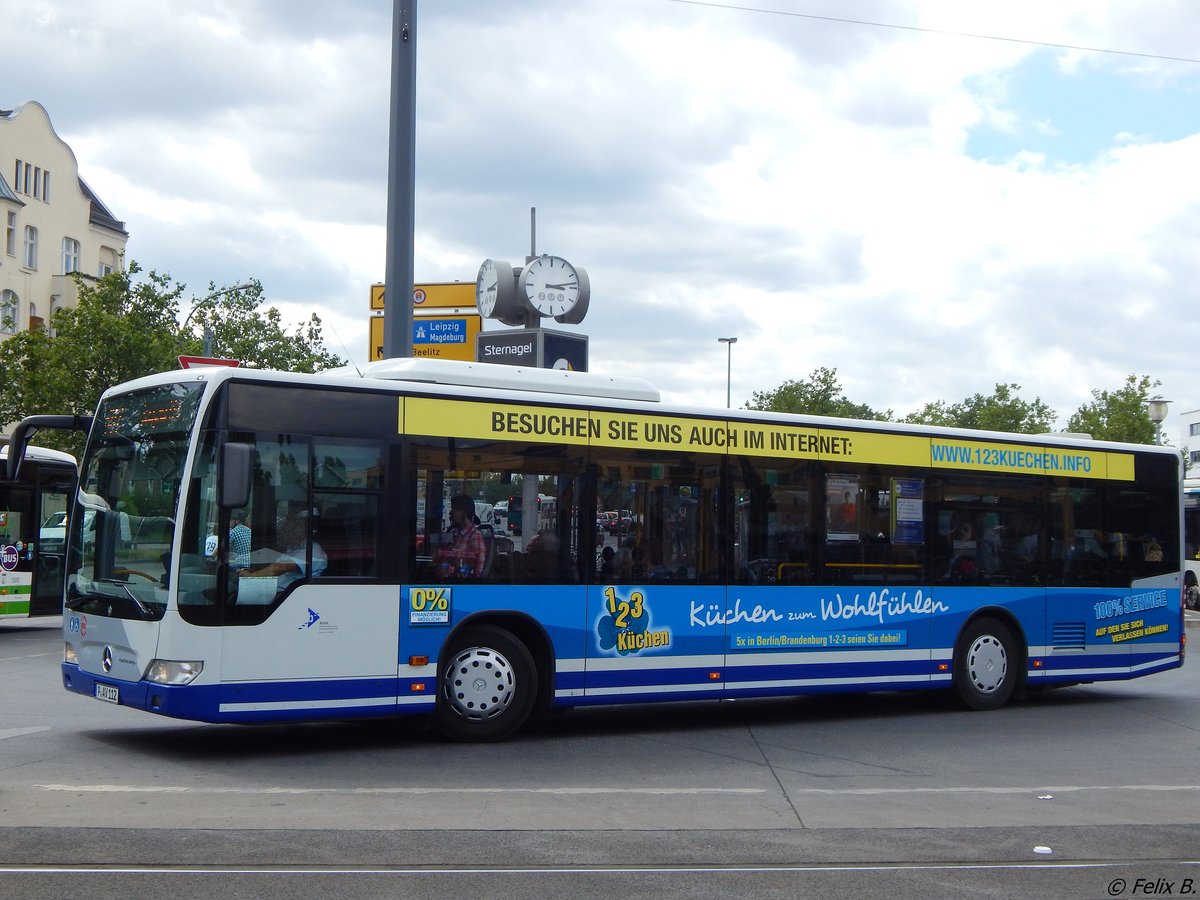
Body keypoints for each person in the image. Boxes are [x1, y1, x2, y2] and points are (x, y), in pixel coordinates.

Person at [242, 514, 326, 591]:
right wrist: (252, 571)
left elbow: (280, 568)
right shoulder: (294, 548)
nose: (284, 534)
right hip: (273, 589)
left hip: (287, 595)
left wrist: (251, 577)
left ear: (301, 531)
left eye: (288, 530)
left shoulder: (313, 550)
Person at [436, 494, 486, 578]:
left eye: (453, 509)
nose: (450, 513)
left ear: (464, 512)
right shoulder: (453, 533)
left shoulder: (475, 536)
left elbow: (478, 571)